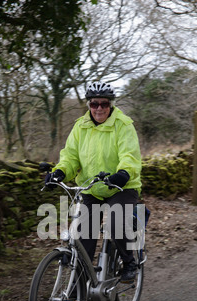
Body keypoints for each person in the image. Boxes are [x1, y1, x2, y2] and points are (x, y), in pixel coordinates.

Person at [46, 81, 142, 282]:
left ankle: (129, 262)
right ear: (88, 105)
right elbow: (70, 156)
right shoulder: (80, 127)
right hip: (92, 188)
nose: (99, 108)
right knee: (84, 237)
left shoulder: (123, 125)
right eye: (94, 104)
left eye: (104, 104)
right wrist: (60, 172)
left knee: (116, 222)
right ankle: (78, 288)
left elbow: (130, 155)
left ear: (111, 105)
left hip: (121, 186)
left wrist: (124, 173)